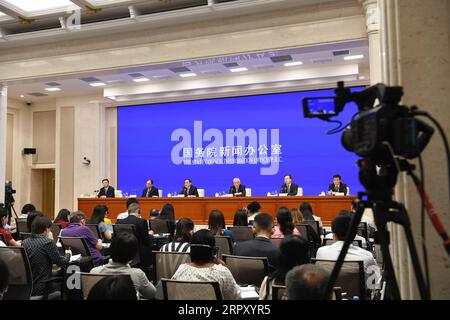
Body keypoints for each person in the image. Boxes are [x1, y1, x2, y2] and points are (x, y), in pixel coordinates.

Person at [172, 229, 241, 300]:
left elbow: (172, 293)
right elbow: (235, 296)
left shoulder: (181, 269)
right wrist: (225, 267)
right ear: (213, 251)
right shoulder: (222, 272)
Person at [316, 214, 381, 282]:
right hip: (358, 292)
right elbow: (375, 283)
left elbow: (319, 278)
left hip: (329, 292)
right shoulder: (367, 256)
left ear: (333, 235)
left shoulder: (321, 252)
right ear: (355, 234)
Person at [90, 232, 156, 299]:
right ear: (133, 254)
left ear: (111, 248)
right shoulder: (137, 274)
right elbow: (151, 294)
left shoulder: (94, 272)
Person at [22, 216, 72, 296]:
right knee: (67, 272)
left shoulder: (25, 242)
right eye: (49, 228)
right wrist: (68, 254)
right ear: (46, 229)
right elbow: (61, 262)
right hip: (43, 285)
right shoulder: (48, 242)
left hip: (29, 286)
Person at [116, 203, 152, 269]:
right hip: (138, 254)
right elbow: (145, 240)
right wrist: (150, 235)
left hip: (123, 251)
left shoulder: (119, 222)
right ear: (138, 211)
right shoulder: (142, 221)